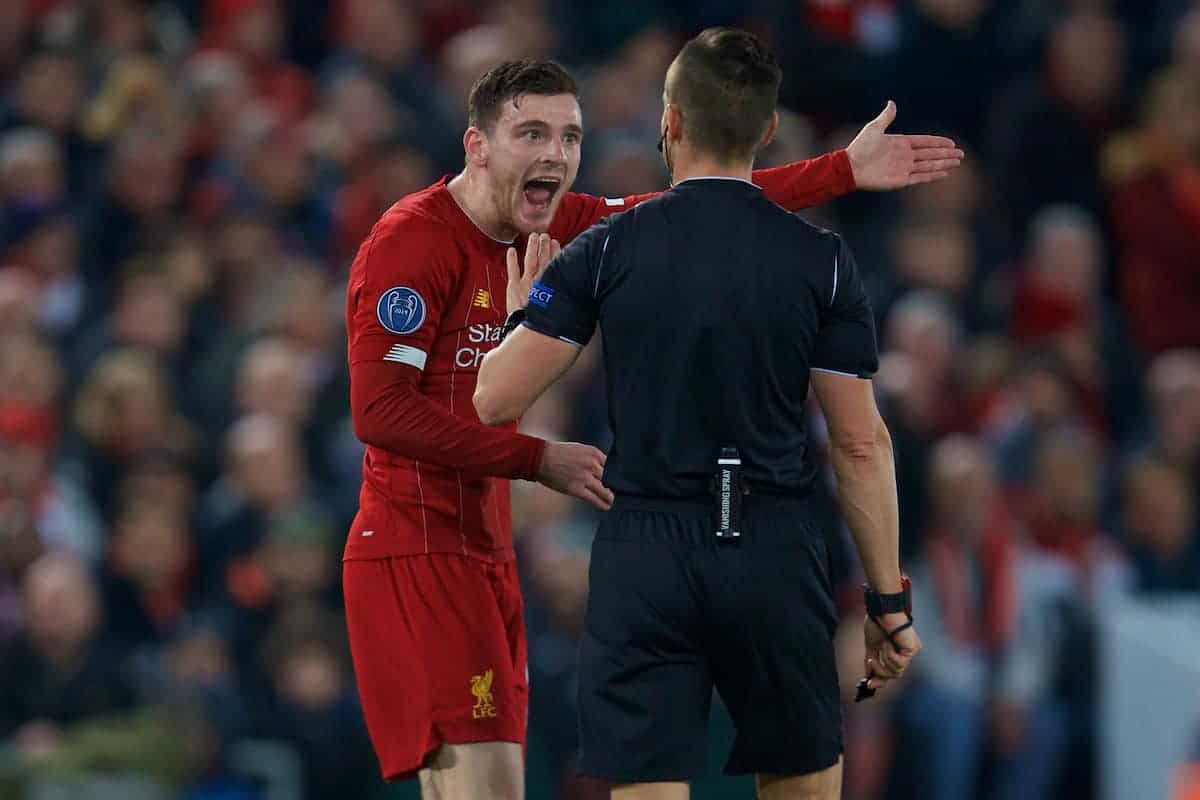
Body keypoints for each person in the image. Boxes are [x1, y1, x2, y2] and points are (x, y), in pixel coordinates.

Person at [346, 55, 957, 798]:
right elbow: (378, 412)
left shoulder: (562, 225)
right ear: (477, 145)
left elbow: (704, 210)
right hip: (417, 545)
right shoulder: (412, 241)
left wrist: (839, 172)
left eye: (570, 138)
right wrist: (535, 460)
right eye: (531, 134)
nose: (555, 156)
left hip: (486, 544)